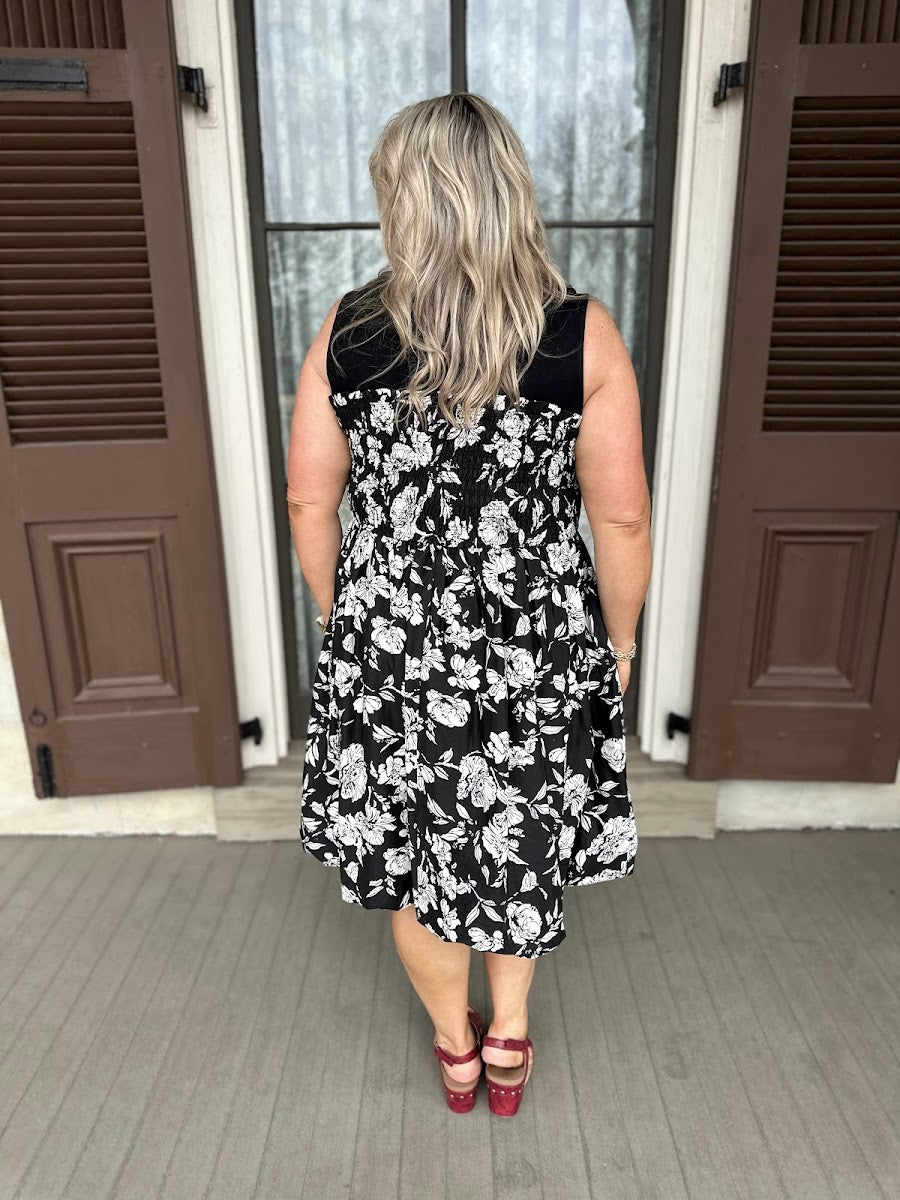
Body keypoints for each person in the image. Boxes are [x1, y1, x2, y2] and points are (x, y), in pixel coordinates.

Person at [285, 92, 651, 1117]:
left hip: (392, 654)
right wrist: (617, 642)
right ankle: (510, 1040)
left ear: (404, 202)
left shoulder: (352, 331)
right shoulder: (580, 335)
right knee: (515, 849)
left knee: (414, 868)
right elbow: (619, 521)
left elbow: (310, 495)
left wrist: (341, 616)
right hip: (534, 656)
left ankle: (454, 1047)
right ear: (509, 197)